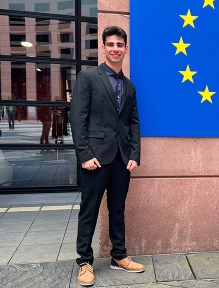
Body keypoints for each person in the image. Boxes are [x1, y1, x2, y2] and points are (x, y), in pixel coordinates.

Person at [70, 26, 143, 287]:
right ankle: (84, 261)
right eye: (110, 44)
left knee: (117, 209)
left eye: (120, 44)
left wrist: (134, 153)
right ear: (103, 47)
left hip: (122, 159)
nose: (115, 48)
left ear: (125, 48)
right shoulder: (88, 77)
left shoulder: (130, 85)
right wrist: (84, 155)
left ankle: (119, 256)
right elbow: (77, 119)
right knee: (88, 211)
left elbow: (133, 122)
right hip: (95, 159)